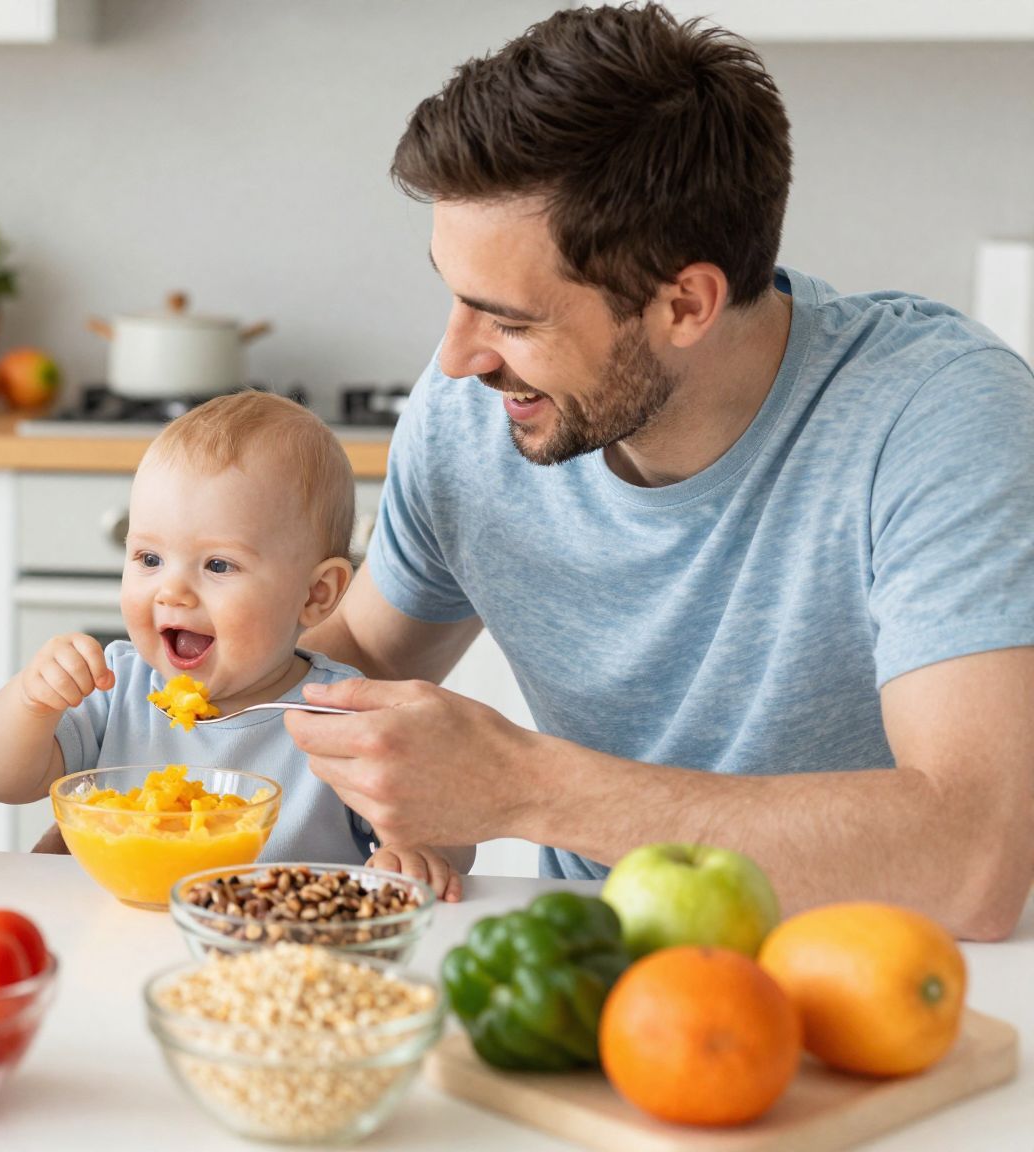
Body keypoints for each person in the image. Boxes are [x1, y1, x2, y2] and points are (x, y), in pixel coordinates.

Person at [292, 3, 1034, 938]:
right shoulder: (476, 415)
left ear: (686, 303)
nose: (456, 359)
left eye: (514, 320)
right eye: (456, 296)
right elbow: (346, 664)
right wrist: (149, 706)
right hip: (595, 971)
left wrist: (519, 789)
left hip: (888, 983)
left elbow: (974, 861)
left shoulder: (935, 415)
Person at [0, 391, 470, 897]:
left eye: (218, 565)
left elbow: (451, 841)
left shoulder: (342, 716)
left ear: (316, 595)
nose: (172, 591)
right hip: (122, 937)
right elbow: (0, 780)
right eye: (148, 558)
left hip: (284, 952)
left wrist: (418, 848)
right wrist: (32, 702)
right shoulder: (116, 686)